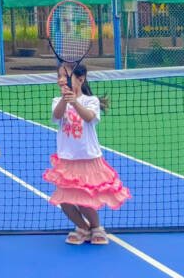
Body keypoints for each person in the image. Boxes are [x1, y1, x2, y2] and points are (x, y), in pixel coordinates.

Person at [43, 62, 130, 245]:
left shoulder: (91, 101)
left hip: (88, 159)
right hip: (67, 161)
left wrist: (74, 102)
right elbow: (57, 116)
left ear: (80, 79)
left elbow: (89, 117)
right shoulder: (57, 101)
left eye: (65, 76)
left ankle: (97, 228)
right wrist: (65, 100)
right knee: (65, 201)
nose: (61, 80)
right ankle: (83, 228)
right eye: (59, 76)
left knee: (85, 200)